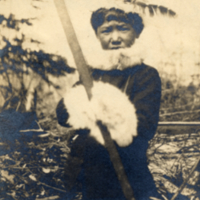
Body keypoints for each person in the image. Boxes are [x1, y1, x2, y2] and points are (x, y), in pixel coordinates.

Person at [56, 7, 162, 200]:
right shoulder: (91, 73)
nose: (115, 38)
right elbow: (63, 113)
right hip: (84, 172)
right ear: (97, 35)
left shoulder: (145, 75)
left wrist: (92, 111)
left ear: (136, 32)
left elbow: (143, 124)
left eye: (123, 29)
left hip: (126, 173)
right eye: (106, 31)